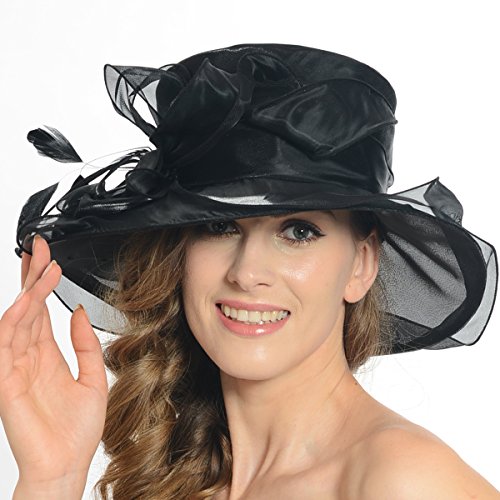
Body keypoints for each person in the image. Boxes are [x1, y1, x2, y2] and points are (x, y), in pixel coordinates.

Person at [0, 43, 498, 499]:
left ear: (362, 265)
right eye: (219, 225)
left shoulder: (404, 480)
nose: (247, 272)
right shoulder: (179, 482)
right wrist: (52, 478)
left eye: (299, 231)